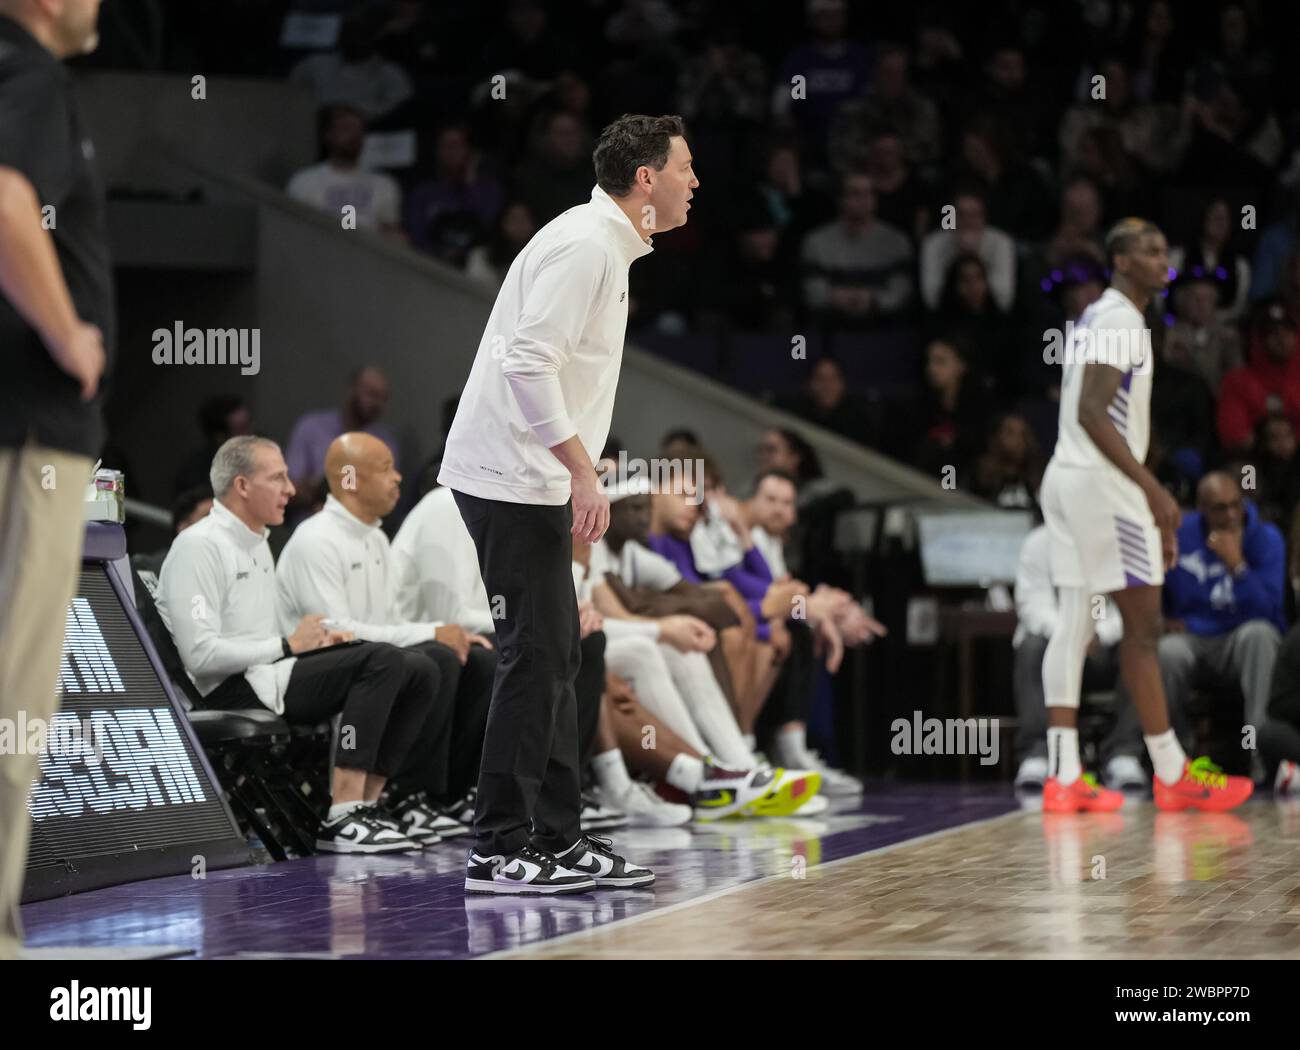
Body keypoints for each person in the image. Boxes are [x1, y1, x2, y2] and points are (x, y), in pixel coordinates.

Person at [436, 115, 694, 894]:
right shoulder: (586, 243)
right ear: (645, 178)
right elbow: (526, 363)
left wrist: (575, 469)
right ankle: (497, 845)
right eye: (686, 168)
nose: (694, 183)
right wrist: (583, 470)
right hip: (508, 477)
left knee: (562, 654)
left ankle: (555, 836)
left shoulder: (606, 247)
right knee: (535, 654)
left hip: (534, 477)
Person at [1038, 217, 1253, 813]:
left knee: (1076, 621)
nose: (1166, 261)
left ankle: (1063, 773)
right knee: (1143, 629)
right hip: (1102, 487)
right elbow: (1090, 411)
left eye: (1166, 249)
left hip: (1065, 478)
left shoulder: (1095, 318)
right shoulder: (1122, 319)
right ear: (1122, 261)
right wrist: (1153, 492)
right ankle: (1170, 768)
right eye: (1152, 251)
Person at [157, 437, 440, 853]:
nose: (292, 489)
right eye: (278, 478)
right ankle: (342, 814)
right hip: (228, 688)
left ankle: (367, 803)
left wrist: (320, 642)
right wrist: (288, 644)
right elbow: (200, 656)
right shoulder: (199, 546)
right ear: (242, 486)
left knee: (420, 668)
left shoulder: (256, 541)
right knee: (380, 660)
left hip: (269, 673)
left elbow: (267, 637)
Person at [0, 0, 109, 961]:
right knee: (12, 699)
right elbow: (2, 198)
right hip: (27, 433)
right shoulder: (28, 71)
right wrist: (65, 331)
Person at [275, 432, 497, 837]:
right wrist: (432, 630)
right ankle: (364, 802)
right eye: (384, 468)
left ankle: (425, 795)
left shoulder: (377, 538)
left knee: (458, 657)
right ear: (348, 479)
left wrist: (443, 634)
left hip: (372, 657)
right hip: (313, 668)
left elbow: (391, 620)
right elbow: (335, 631)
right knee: (415, 656)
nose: (398, 477)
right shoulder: (315, 538)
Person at [1157, 472, 1285, 783]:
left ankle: (1259, 755)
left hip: (1240, 639)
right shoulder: (1180, 536)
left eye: (1235, 506)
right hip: (1192, 638)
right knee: (1165, 652)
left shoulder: (1265, 538)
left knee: (1260, 636)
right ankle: (1178, 761)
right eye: (1219, 508)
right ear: (1200, 508)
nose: (1230, 515)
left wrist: (1237, 565)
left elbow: (1270, 610)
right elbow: (1156, 589)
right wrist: (1161, 619)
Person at [284, 365, 399, 522]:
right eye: (372, 394)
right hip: (307, 522)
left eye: (382, 398)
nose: (376, 403)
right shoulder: (311, 428)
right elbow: (289, 488)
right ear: (352, 389)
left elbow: (384, 499)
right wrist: (320, 489)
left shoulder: (385, 444)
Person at [287, 104, 403, 238]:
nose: (354, 137)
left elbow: (391, 232)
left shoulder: (383, 185)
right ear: (328, 135)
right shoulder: (303, 182)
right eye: (346, 129)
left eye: (359, 131)